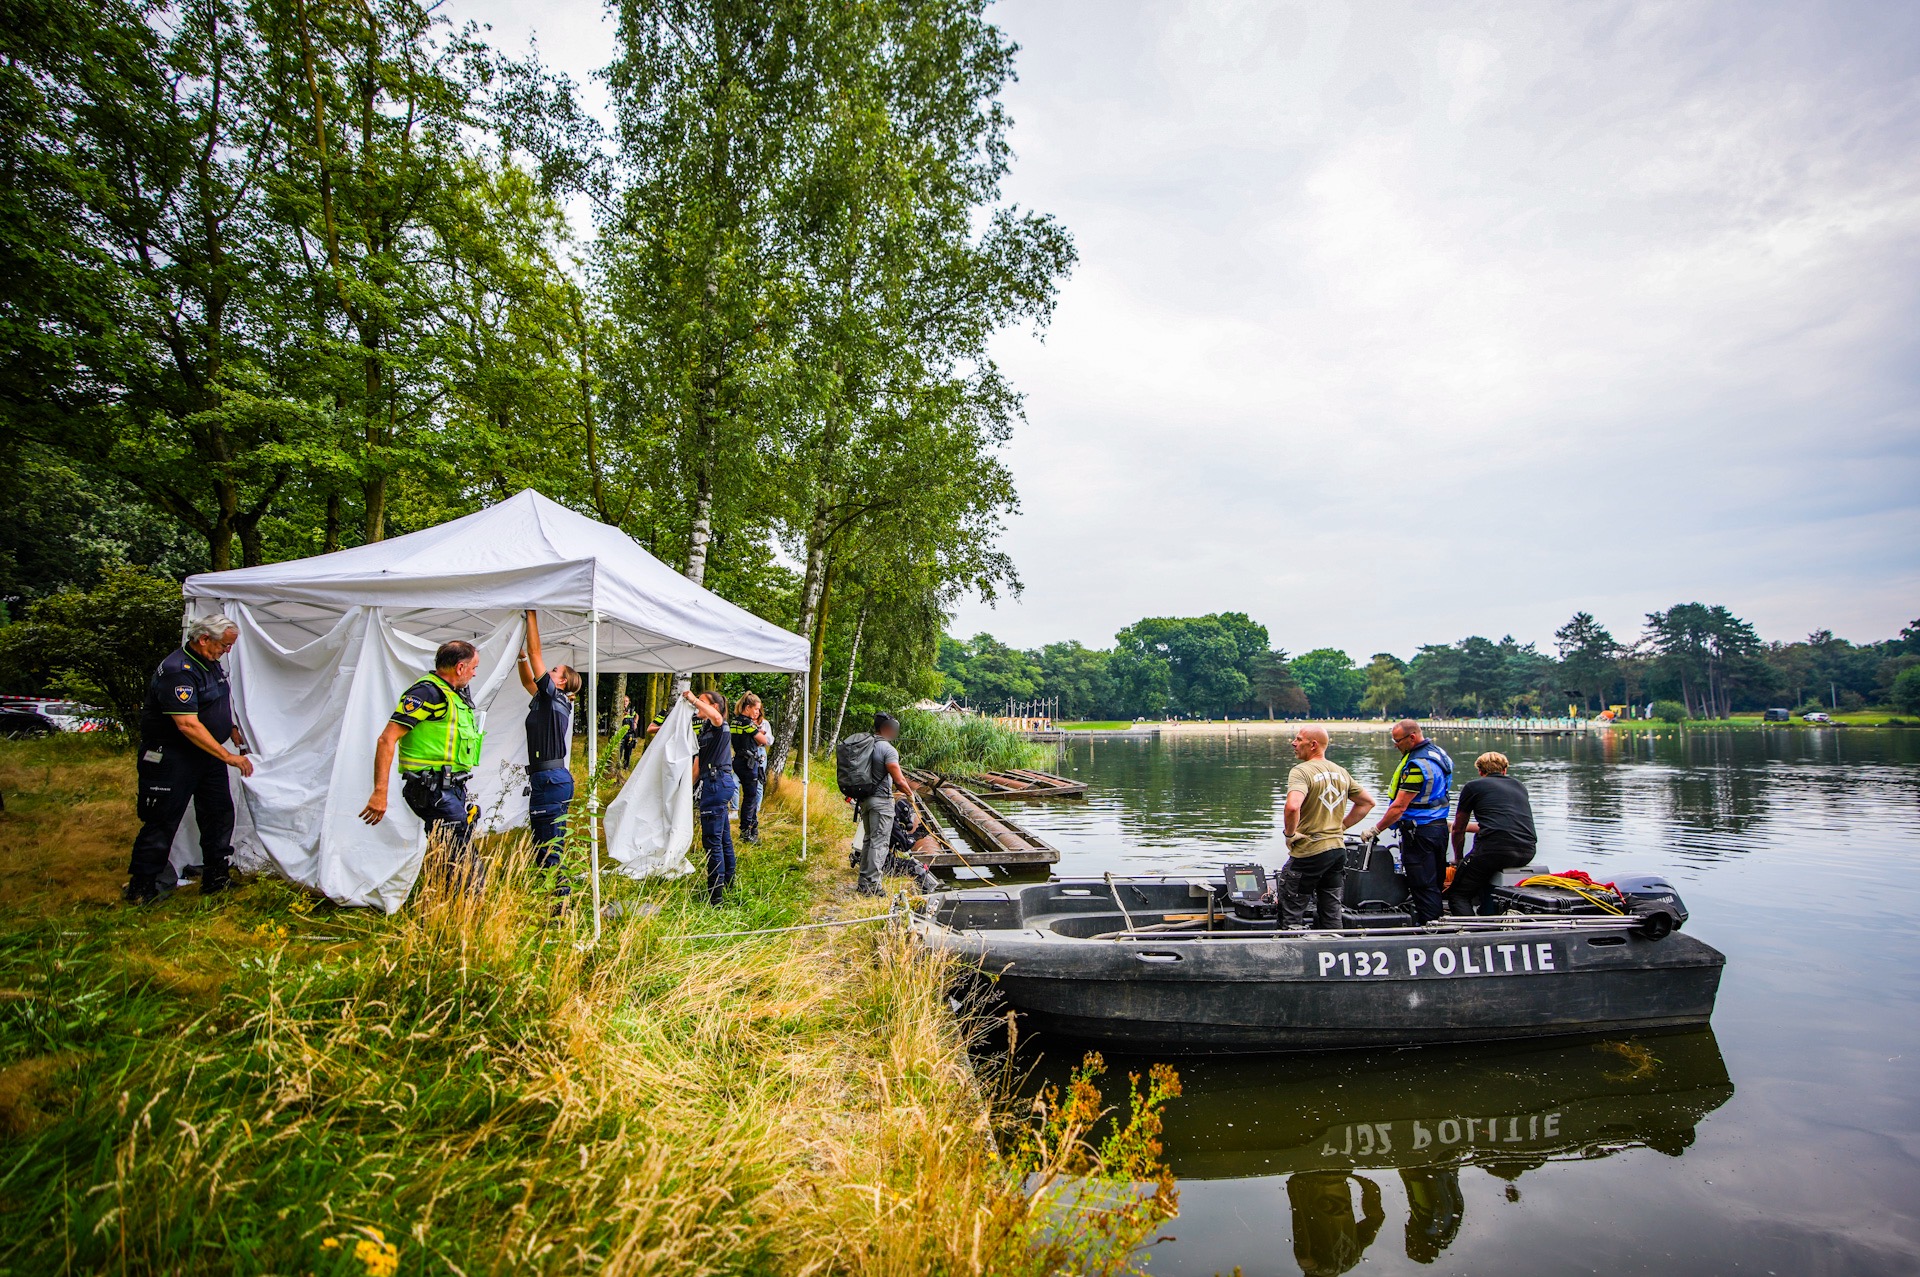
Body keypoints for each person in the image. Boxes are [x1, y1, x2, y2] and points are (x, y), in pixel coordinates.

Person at [125, 614, 254, 904]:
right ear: (204, 638)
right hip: (172, 756)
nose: (227, 651)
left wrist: (230, 728)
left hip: (206, 756)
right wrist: (228, 757)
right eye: (224, 645)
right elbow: (187, 724)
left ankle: (216, 877)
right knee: (162, 819)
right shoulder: (177, 670)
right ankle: (142, 886)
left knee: (219, 813)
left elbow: (215, 702)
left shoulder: (211, 664)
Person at [360, 641, 486, 891]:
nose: (474, 673)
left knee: (449, 855)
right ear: (460, 667)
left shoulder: (454, 695)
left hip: (451, 788)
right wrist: (379, 792)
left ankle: (445, 907)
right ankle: (471, 911)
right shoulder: (427, 693)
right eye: (473, 667)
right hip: (432, 789)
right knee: (465, 860)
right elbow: (387, 739)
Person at [1277, 726, 1375, 929]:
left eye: (1298, 739)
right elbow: (1367, 803)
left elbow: (1292, 806)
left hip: (1309, 852)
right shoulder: (1341, 772)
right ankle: (1334, 950)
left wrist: (1290, 834)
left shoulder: (1301, 771)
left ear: (1313, 745)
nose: (1293, 743)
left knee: (1291, 911)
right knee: (1331, 911)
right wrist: (1342, 827)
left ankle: (1288, 953)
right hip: (1337, 852)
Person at [514, 610, 582, 877]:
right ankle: (556, 903)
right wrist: (521, 658)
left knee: (548, 850)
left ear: (562, 681)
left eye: (555, 670)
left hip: (551, 780)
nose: (549, 670)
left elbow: (536, 653)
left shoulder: (555, 697)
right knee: (546, 845)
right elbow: (527, 681)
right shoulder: (548, 699)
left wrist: (531, 614)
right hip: (550, 779)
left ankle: (558, 909)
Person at [1366, 719, 1454, 924]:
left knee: (1422, 884)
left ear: (1412, 737)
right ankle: (1436, 920)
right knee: (1435, 881)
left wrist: (1376, 829)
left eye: (1397, 741)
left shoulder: (1416, 765)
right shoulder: (1439, 754)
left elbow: (1399, 807)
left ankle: (1430, 928)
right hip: (1439, 828)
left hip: (1419, 833)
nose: (1395, 745)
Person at [1445, 751, 1537, 916]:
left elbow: (1458, 829)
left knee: (1458, 895)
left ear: (1480, 771)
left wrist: (1459, 860)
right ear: (1504, 770)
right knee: (1481, 874)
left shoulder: (1473, 787)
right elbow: (1501, 823)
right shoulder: (1519, 786)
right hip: (1527, 851)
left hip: (1492, 850)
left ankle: (1474, 936)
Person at [851, 712, 915, 897]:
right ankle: (872, 886)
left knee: (869, 840)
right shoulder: (887, 749)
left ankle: (864, 882)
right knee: (879, 844)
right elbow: (899, 780)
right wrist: (910, 795)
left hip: (865, 800)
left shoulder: (866, 745)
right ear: (887, 728)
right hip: (881, 802)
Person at [686, 687, 736, 905]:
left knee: (712, 842)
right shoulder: (705, 731)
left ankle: (715, 896)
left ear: (713, 706)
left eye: (702, 702)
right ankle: (728, 883)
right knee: (723, 838)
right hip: (713, 783)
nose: (697, 706)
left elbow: (717, 716)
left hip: (717, 784)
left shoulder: (719, 724)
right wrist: (684, 792)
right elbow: (697, 767)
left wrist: (693, 699)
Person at [729, 692, 772, 842]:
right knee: (750, 797)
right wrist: (760, 734)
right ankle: (747, 831)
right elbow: (764, 740)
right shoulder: (747, 723)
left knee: (749, 796)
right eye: (756, 709)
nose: (758, 712)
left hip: (739, 760)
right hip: (748, 762)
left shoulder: (735, 721)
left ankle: (751, 828)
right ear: (747, 707)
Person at [617, 695, 640, 773]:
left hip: (630, 734)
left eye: (626, 701)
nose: (625, 703)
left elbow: (637, 716)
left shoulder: (631, 711)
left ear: (629, 702)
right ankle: (618, 767)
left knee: (628, 751)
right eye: (623, 701)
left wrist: (635, 722)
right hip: (621, 734)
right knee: (619, 751)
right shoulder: (618, 710)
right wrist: (623, 715)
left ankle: (626, 767)